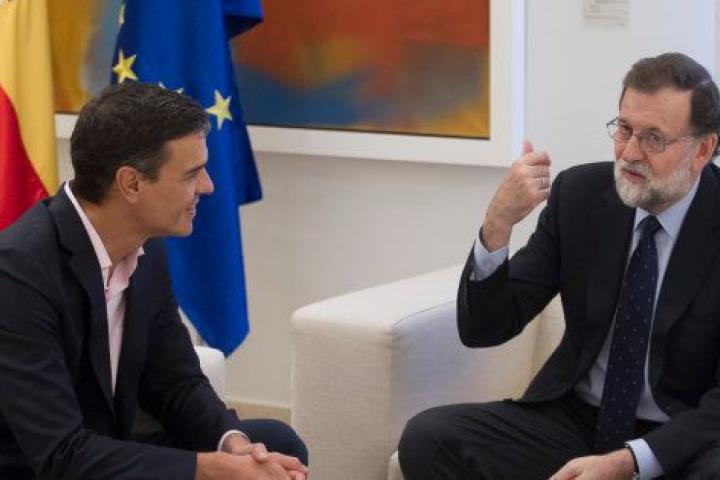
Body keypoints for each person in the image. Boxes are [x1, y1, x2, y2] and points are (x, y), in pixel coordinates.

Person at [398, 52, 720, 479]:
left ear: (703, 149)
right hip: (577, 419)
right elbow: (485, 328)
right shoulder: (581, 195)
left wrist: (629, 462)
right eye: (624, 129)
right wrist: (498, 224)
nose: (629, 153)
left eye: (654, 139)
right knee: (429, 437)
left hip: (681, 437)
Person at [0, 82, 308, 479]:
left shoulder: (146, 250)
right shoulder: (18, 274)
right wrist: (210, 469)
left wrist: (233, 444)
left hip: (105, 450)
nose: (208, 186)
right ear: (131, 183)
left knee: (276, 444)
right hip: (46, 467)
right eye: (191, 174)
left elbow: (176, 381)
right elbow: (60, 455)